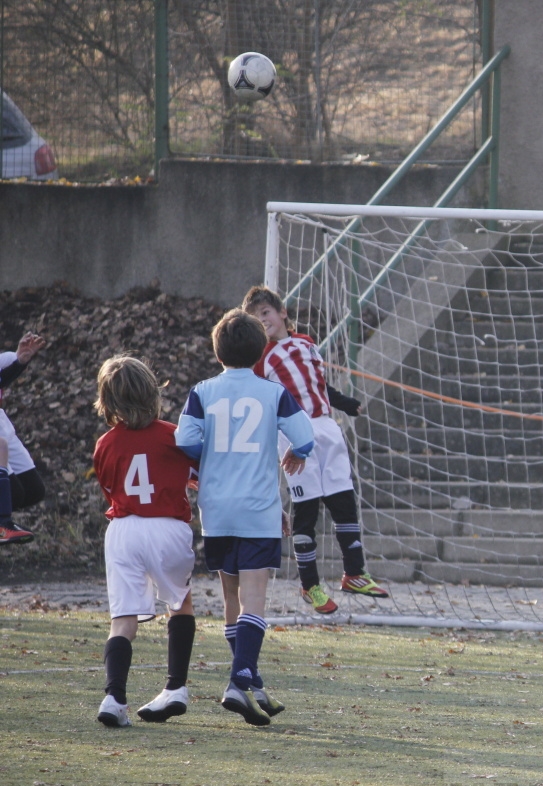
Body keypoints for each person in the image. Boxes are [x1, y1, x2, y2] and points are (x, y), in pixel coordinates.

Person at [176, 309, 315, 726]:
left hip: (217, 510)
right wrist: (297, 453)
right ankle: (239, 679)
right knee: (255, 600)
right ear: (260, 352)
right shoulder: (273, 393)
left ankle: (251, 681)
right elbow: (305, 437)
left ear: (218, 352)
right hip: (257, 511)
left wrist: (212, 457)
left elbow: (184, 440)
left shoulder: (202, 391)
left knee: (231, 601)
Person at [242, 286, 388, 614]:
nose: (262, 319)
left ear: (282, 314)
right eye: (255, 317)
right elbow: (261, 402)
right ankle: (310, 585)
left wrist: (349, 404)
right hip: (295, 431)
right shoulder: (259, 360)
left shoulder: (307, 344)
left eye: (265, 312)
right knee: (306, 508)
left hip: (328, 428)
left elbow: (320, 386)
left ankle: (354, 572)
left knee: (343, 500)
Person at [92, 356, 198, 728]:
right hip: (167, 527)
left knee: (122, 621)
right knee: (180, 604)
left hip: (123, 529)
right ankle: (175, 688)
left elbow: (110, 489)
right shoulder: (175, 435)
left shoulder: (105, 444)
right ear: (153, 391)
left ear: (107, 401)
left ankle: (114, 697)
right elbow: (195, 473)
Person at [0, 332, 47, 543]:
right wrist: (18, 363)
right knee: (13, 494)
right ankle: (3, 525)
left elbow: (6, 369)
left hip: (4, 431)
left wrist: (20, 359)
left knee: (33, 490)